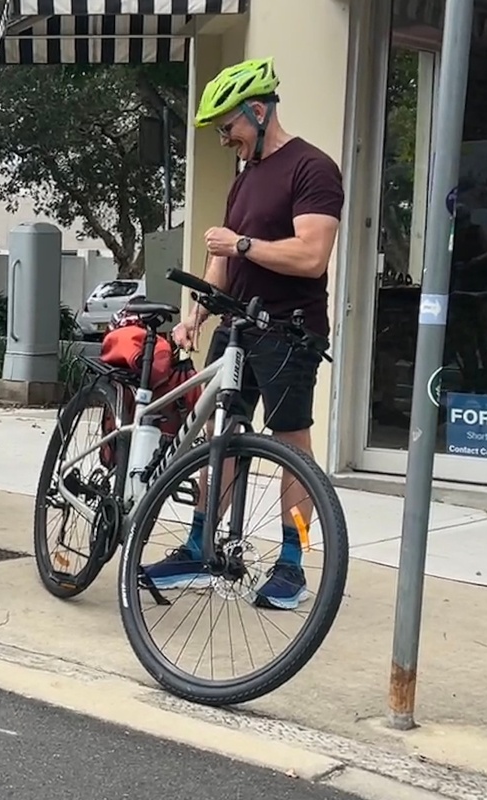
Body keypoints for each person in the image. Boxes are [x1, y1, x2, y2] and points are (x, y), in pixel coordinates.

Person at [144, 57, 345, 608]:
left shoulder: (313, 168)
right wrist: (196, 313)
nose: (224, 139)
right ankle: (199, 548)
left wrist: (241, 246)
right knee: (218, 437)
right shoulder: (244, 178)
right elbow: (221, 259)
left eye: (228, 127)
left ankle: (293, 559)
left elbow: (311, 254)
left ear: (258, 111)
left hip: (288, 330)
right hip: (235, 327)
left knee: (292, 446)